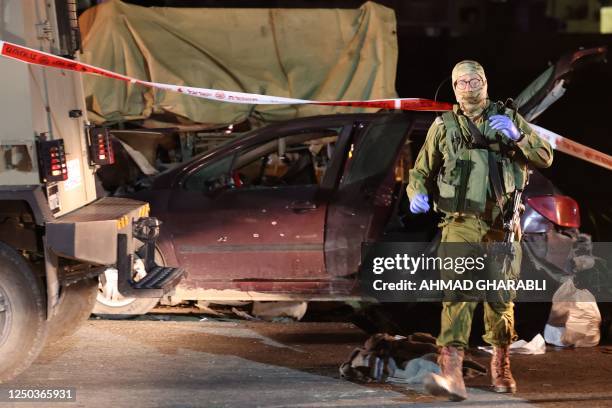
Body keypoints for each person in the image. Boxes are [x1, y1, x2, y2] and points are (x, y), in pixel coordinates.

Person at [406, 60, 553, 401]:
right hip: (460, 222)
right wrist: (417, 194)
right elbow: (420, 172)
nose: (470, 88)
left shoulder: (509, 119)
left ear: (485, 83)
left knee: (500, 299)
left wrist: (518, 136)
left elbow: (545, 156)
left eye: (475, 81)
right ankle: (452, 373)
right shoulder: (443, 127)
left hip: (502, 223)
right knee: (457, 293)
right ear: (454, 88)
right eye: (462, 83)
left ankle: (500, 364)